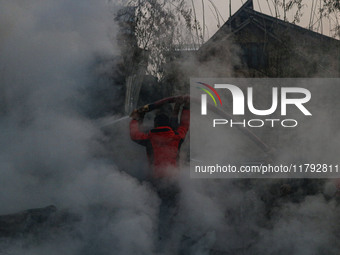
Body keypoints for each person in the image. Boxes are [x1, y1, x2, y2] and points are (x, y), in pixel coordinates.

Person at [129, 96, 190, 179]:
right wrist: (186, 107)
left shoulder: (148, 139)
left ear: (155, 125)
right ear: (168, 124)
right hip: (174, 180)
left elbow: (134, 134)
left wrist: (136, 118)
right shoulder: (177, 137)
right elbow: (184, 124)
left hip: (155, 180)